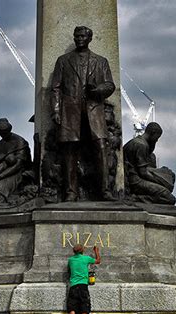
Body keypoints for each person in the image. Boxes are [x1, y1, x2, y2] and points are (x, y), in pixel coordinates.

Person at [51, 26, 116, 202]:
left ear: (90, 39)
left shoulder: (100, 61)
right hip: (70, 111)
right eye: (76, 36)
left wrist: (97, 90)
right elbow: (55, 88)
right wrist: (56, 110)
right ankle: (70, 191)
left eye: (82, 36)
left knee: (101, 147)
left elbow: (110, 85)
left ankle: (105, 190)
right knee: (70, 150)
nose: (79, 39)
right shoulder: (63, 61)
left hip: (94, 110)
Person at [123, 122, 176, 205]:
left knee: (169, 174)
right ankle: (136, 198)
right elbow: (143, 173)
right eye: (157, 137)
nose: (157, 140)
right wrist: (162, 182)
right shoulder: (141, 145)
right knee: (170, 198)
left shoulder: (137, 142)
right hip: (135, 182)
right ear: (153, 133)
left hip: (134, 177)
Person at [67, 244, 101, 314]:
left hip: (73, 285)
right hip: (83, 286)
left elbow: (69, 271)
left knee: (72, 307)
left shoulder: (70, 260)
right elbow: (98, 261)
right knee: (84, 307)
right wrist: (96, 251)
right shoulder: (86, 258)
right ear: (82, 251)